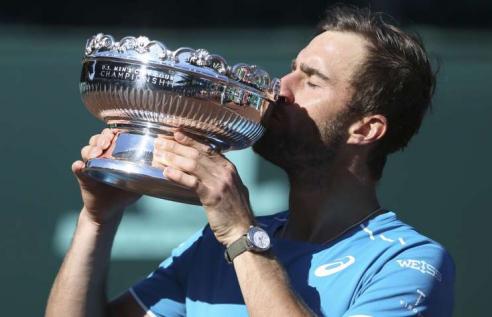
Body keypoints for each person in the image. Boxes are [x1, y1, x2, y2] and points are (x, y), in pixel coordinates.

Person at [46, 5, 454, 317]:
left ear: (365, 130)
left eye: (312, 80)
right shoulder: (215, 245)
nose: (281, 88)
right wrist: (97, 220)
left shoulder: (405, 263)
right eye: (292, 69)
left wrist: (243, 233)